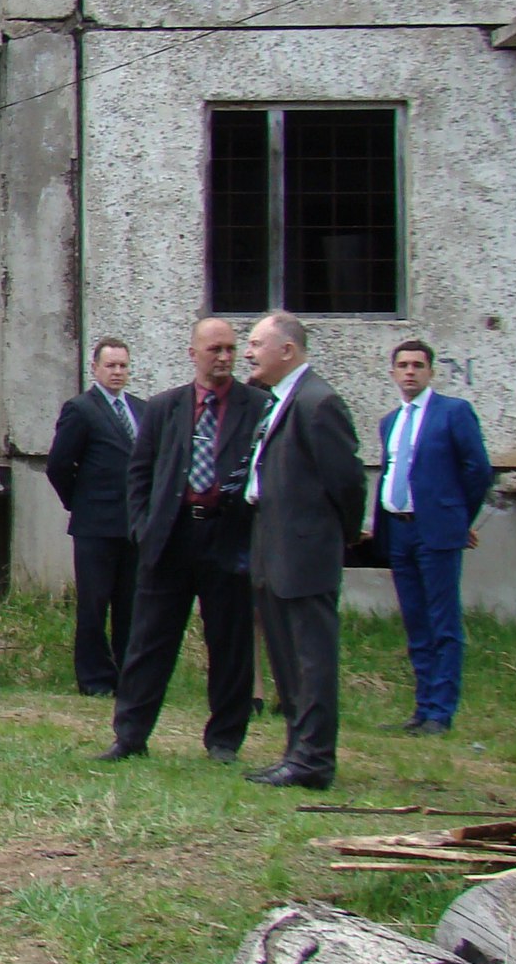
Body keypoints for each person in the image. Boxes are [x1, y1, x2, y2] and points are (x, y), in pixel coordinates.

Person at [100, 316, 271, 764]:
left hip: (227, 536)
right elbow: (140, 472)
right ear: (193, 353)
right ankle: (130, 735)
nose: (224, 357)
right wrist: (142, 526)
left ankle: (224, 740)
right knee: (149, 640)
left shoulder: (257, 406)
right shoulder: (164, 408)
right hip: (171, 536)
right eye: (215, 349)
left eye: (231, 349)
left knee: (230, 642)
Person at [241, 311, 368, 791]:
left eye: (255, 343)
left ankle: (314, 759)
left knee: (311, 658)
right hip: (273, 551)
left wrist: (340, 535)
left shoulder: (318, 403)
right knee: (287, 659)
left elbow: (347, 480)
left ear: (286, 350)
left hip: (304, 553)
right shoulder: (279, 401)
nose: (248, 352)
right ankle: (297, 752)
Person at [371, 340, 495, 737]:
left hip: (435, 530)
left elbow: (478, 470)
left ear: (430, 372)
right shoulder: (390, 421)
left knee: (443, 621)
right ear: (393, 373)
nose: (410, 372)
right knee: (415, 621)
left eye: (418, 365)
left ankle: (441, 711)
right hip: (398, 529)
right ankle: (422, 708)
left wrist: (457, 519)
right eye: (403, 365)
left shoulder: (453, 413)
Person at [47, 337, 140, 698]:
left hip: (133, 527)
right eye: (111, 366)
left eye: (123, 366)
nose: (118, 372)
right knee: (94, 603)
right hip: (95, 525)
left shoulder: (141, 410)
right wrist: (78, 502)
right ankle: (95, 678)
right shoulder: (82, 409)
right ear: (96, 369)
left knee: (130, 604)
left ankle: (129, 675)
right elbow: (58, 465)